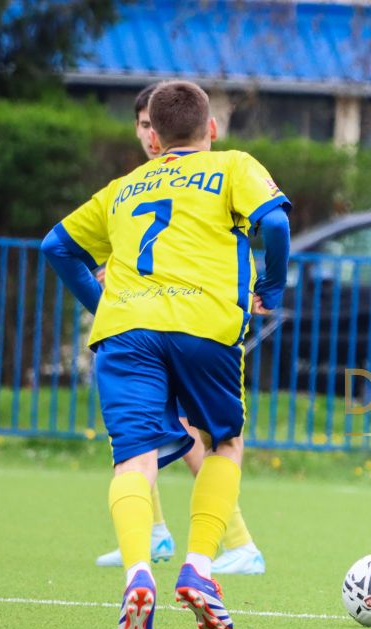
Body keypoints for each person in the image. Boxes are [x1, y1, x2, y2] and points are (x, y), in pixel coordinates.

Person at [42, 80, 292, 629]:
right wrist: (271, 289)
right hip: (205, 328)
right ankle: (200, 567)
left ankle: (137, 576)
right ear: (210, 129)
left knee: (133, 459)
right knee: (224, 442)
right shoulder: (232, 166)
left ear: (152, 135)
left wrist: (105, 306)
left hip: (126, 334)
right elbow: (274, 224)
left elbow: (56, 248)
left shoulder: (124, 187)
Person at [93, 83, 267, 576]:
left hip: (184, 322)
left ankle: (235, 540)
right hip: (149, 323)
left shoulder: (213, 171)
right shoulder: (135, 185)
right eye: (143, 125)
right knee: (144, 434)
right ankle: (156, 532)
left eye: (155, 124)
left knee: (189, 434)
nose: (150, 134)